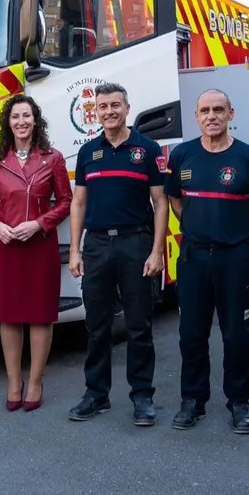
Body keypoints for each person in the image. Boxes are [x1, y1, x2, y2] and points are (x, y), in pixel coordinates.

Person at [164, 89, 249, 434]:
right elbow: (175, 201)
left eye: (218, 110)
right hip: (194, 258)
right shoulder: (182, 156)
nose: (212, 116)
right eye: (205, 110)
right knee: (191, 334)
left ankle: (240, 403)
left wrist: (238, 235)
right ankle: (192, 401)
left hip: (235, 259)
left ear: (231, 114)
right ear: (196, 117)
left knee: (236, 333)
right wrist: (197, 230)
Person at [67, 82, 168, 426]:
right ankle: (96, 394)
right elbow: (78, 202)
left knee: (139, 325)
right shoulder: (88, 152)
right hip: (96, 245)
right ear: (96, 112)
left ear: (127, 108)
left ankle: (142, 397)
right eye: (103, 106)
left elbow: (160, 201)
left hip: (135, 243)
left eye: (115, 105)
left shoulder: (148, 149)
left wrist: (157, 251)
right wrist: (75, 251)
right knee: (97, 326)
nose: (109, 111)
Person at [0, 95, 73, 412]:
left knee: (40, 315)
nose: (21, 121)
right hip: (6, 247)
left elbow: (65, 202)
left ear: (35, 121)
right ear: (8, 122)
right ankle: (13, 380)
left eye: (27, 116)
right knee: (9, 315)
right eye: (15, 116)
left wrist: (39, 224)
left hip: (39, 246)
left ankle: (35, 381)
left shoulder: (53, 158)